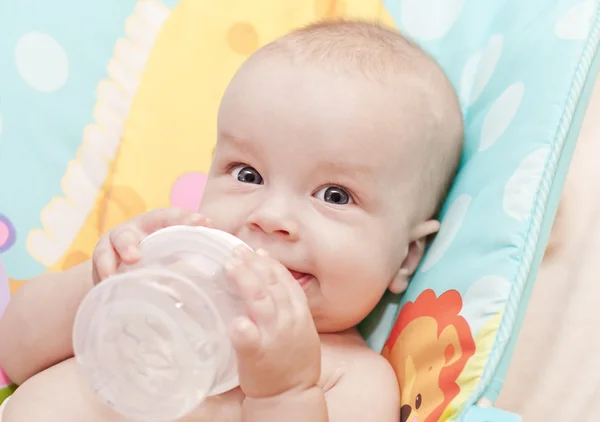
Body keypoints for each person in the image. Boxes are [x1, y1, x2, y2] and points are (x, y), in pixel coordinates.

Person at [0, 19, 463, 422]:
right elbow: (14, 353)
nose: (270, 216)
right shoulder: (160, 285)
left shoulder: (351, 378)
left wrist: (283, 392)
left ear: (406, 258)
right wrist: (101, 286)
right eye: (248, 174)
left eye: (335, 195)